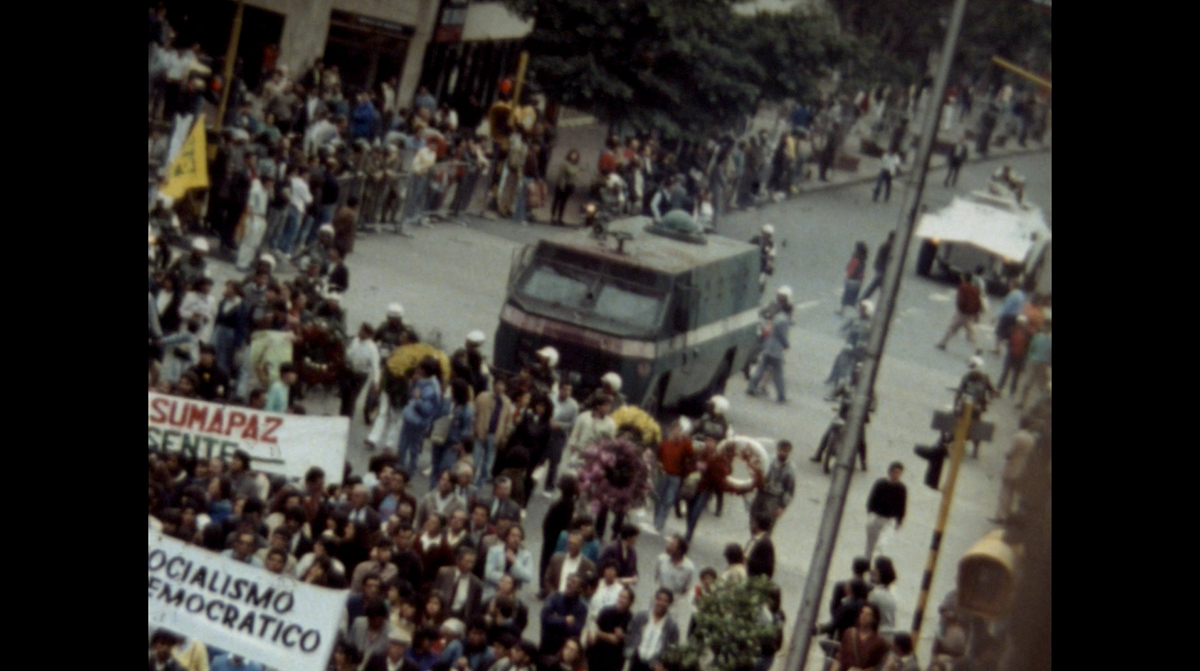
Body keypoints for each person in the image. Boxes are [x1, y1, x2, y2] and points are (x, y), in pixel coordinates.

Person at [399, 357, 444, 476]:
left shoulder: (432, 388)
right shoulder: (420, 380)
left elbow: (427, 410)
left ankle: (411, 471)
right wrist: (413, 383)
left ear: (425, 371)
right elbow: (410, 395)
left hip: (418, 423)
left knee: (413, 449)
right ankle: (400, 469)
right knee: (402, 446)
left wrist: (418, 400)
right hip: (409, 418)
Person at [747, 287, 793, 403]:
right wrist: (786, 345)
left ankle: (751, 387)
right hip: (776, 350)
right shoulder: (784, 320)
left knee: (760, 368)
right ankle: (781, 396)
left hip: (768, 346)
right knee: (778, 374)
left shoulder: (776, 317)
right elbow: (782, 336)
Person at [992, 417, 1039, 524]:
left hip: (1012, 467)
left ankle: (1001, 516)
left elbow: (1010, 453)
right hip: (1022, 469)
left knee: (1005, 492)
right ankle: (1009, 514)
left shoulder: (1017, 436)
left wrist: (1007, 455)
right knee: (1013, 494)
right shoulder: (1031, 439)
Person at [653, 417, 695, 533]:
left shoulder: (684, 444)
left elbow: (691, 456)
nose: (677, 433)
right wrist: (658, 464)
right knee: (658, 498)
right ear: (671, 431)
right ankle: (656, 517)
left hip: (675, 476)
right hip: (663, 474)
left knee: (669, 500)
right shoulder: (665, 444)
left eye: (679, 430)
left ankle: (660, 522)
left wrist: (687, 470)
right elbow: (658, 456)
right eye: (675, 430)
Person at [540, 475, 580, 593]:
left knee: (547, 562)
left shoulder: (563, 503)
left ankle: (544, 587)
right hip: (554, 535)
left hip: (553, 536)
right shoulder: (569, 502)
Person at [623, 589, 680, 671]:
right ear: (654, 600)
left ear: (669, 604)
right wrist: (630, 652)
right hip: (636, 661)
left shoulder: (672, 626)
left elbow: (672, 649)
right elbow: (630, 635)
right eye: (659, 599)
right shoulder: (640, 616)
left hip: (654, 666)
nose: (661, 603)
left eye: (665, 601)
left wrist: (663, 665)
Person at [473, 378, 515, 487]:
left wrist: (504, 436)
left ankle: (479, 484)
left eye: (502, 385)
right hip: (480, 431)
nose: (500, 387)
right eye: (498, 384)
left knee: (488, 462)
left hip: (495, 434)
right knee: (475, 459)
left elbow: (508, 421)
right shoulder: (482, 397)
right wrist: (473, 429)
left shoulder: (506, 402)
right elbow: (475, 413)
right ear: (493, 385)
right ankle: (470, 480)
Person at [543, 383, 579, 497]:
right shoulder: (551, 398)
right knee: (540, 457)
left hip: (559, 435)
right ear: (560, 389)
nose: (566, 392)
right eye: (564, 389)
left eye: (569, 390)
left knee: (554, 461)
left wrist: (559, 425)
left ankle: (549, 486)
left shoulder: (573, 405)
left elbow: (572, 423)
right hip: (545, 431)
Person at [433, 546, 486, 623]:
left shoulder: (476, 584)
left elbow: (475, 608)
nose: (470, 565)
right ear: (458, 560)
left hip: (460, 617)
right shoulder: (444, 573)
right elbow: (434, 593)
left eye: (472, 562)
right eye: (467, 561)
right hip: (440, 614)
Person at [829, 604, 889, 671]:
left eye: (868, 614)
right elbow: (839, 658)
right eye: (862, 613)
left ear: (874, 619)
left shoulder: (879, 642)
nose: (864, 616)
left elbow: (879, 667)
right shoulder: (849, 633)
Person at [865, 462, 907, 559]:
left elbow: (902, 505)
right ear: (890, 472)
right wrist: (870, 514)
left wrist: (899, 521)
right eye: (895, 472)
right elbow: (871, 500)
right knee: (870, 544)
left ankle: (877, 563)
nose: (896, 475)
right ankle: (867, 561)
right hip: (876, 517)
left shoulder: (901, 489)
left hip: (890, 520)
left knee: (882, 544)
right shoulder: (880, 484)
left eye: (899, 473)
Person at [539, 574, 589, 655]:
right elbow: (545, 618)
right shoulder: (554, 597)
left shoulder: (582, 608)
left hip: (565, 651)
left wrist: (555, 621)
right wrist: (564, 620)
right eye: (568, 580)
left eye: (573, 582)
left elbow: (575, 630)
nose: (569, 583)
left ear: (580, 589)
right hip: (547, 646)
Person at [653, 535, 695, 630]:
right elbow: (656, 578)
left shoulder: (688, 568)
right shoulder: (661, 559)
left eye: (672, 545)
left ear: (679, 550)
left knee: (668, 627)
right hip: (659, 597)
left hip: (674, 602)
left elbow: (686, 588)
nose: (668, 546)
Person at [587, 587, 634, 671]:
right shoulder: (606, 611)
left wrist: (622, 636)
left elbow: (631, 640)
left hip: (615, 660)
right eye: (620, 596)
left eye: (625, 598)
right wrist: (608, 637)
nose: (621, 600)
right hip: (598, 654)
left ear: (630, 602)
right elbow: (594, 630)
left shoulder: (630, 618)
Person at [484, 525, 535, 600]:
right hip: (494, 589)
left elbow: (528, 577)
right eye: (513, 535)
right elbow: (488, 572)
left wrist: (515, 562)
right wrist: (505, 581)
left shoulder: (526, 555)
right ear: (507, 537)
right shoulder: (494, 551)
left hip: (516, 592)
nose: (516, 539)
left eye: (519, 536)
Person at [935, 271, 984, 350]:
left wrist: (960, 309)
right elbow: (978, 302)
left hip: (962, 313)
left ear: (964, 278)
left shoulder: (963, 287)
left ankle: (942, 343)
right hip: (970, 313)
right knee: (970, 331)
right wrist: (976, 313)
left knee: (952, 328)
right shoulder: (975, 289)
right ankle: (977, 347)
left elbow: (961, 300)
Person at [749, 440, 795, 522]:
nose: (782, 453)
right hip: (761, 493)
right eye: (781, 450)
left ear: (789, 452)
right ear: (777, 449)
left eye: (785, 451)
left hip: (773, 499)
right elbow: (759, 472)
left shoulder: (790, 470)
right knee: (753, 519)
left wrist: (782, 506)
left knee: (767, 523)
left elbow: (789, 491)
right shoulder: (768, 460)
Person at [543, 530, 597, 599]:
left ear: (581, 545)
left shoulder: (588, 565)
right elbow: (547, 579)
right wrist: (553, 596)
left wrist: (580, 598)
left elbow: (592, 587)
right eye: (570, 543)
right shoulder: (556, 559)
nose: (571, 546)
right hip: (555, 599)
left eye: (575, 544)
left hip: (575, 602)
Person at [343, 322, 382, 418]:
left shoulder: (372, 348)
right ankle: (342, 416)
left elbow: (375, 366)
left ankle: (348, 417)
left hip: (360, 375)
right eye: (360, 330)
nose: (359, 332)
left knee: (352, 397)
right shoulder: (355, 341)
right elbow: (349, 353)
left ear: (367, 334)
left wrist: (376, 382)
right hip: (350, 372)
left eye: (362, 331)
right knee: (345, 396)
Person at [1017, 320, 1051, 409]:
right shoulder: (1041, 338)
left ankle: (1025, 403)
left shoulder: (1040, 338)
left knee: (1034, 384)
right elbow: (1031, 349)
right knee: (1035, 384)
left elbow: (1031, 349)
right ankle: (1028, 403)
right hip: (1038, 363)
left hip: (1038, 363)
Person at [996, 314, 1031, 396]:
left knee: (1016, 374)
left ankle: (1012, 390)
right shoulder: (1012, 330)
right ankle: (1000, 387)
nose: (1020, 324)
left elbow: (1028, 346)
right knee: (1006, 372)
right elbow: (1006, 338)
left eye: (1022, 323)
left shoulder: (1027, 334)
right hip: (1011, 354)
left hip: (1020, 356)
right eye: (1019, 322)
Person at [992, 282, 1027, 356]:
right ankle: (1007, 349)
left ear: (1013, 286)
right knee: (1009, 333)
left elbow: (1006, 307)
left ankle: (996, 349)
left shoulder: (1012, 294)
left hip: (1007, 316)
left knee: (1000, 333)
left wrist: (998, 316)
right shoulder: (1021, 295)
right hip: (1015, 316)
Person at [859, 231, 895, 301]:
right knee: (877, 285)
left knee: (880, 287)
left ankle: (864, 298)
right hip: (882, 270)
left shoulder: (887, 247)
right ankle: (864, 298)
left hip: (882, 270)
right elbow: (882, 260)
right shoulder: (886, 247)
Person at [838, 242, 869, 317]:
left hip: (851, 280)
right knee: (854, 298)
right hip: (857, 281)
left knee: (846, 297)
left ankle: (842, 311)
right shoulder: (862, 260)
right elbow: (862, 272)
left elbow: (851, 269)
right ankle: (860, 312)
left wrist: (848, 277)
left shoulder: (855, 259)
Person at [867, 556, 898, 631]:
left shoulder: (875, 595)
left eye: (875, 568)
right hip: (890, 631)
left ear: (880, 572)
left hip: (878, 632)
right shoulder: (892, 595)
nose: (872, 572)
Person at [551, 150, 581, 226]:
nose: (574, 157)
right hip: (562, 184)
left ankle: (560, 218)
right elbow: (562, 175)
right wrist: (561, 185)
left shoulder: (576, 165)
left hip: (569, 185)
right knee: (557, 201)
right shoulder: (565, 164)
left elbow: (576, 176)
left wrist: (575, 185)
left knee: (563, 203)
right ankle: (553, 216)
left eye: (575, 155)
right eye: (572, 155)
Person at [745, 512, 776, 579]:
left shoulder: (764, 543)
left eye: (752, 523)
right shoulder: (755, 539)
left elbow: (766, 566)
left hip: (755, 580)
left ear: (756, 524)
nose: (750, 525)